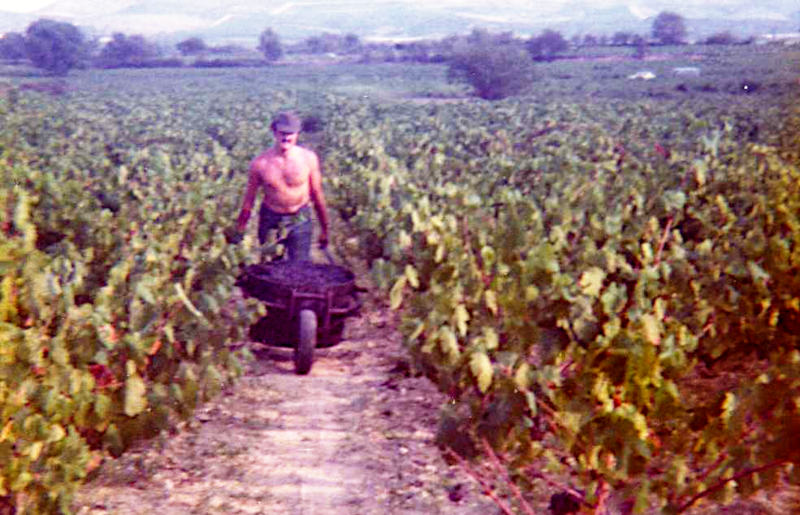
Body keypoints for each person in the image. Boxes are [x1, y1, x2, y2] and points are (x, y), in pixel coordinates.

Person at [234, 111, 329, 261]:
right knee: (270, 267)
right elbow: (248, 201)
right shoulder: (260, 163)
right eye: (282, 132)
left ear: (297, 134)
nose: (286, 137)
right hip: (271, 218)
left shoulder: (308, 159)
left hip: (300, 217)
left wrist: (325, 230)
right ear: (274, 132)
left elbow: (317, 195)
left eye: (291, 133)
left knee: (299, 266)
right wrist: (240, 229)